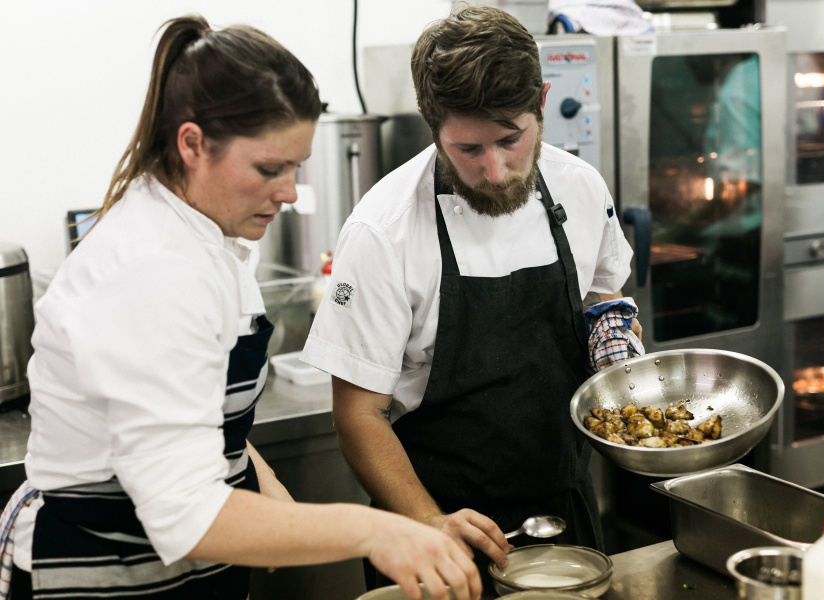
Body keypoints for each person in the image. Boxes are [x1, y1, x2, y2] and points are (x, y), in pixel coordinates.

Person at [0, 15, 481, 600]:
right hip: (104, 573)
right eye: (269, 169)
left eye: (296, 166)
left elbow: (179, 401)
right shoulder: (150, 271)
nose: (288, 191)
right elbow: (186, 516)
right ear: (193, 144)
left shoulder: (212, 235)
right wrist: (378, 531)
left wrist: (258, 473)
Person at [300, 4, 639, 589]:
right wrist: (429, 523)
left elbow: (602, 292)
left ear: (542, 102)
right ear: (431, 126)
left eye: (512, 139)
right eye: (467, 149)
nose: (497, 170)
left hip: (566, 511)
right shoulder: (383, 230)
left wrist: (614, 348)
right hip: (432, 528)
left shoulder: (580, 188)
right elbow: (358, 415)